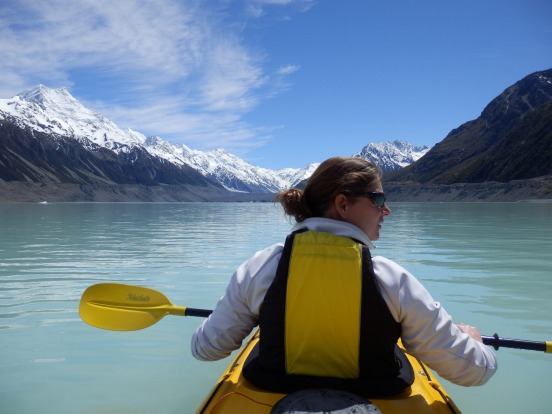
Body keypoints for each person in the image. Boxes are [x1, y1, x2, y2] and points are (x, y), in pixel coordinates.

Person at [191, 156, 497, 395]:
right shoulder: (392, 280)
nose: (386, 210)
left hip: (275, 392)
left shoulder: (260, 267)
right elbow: (476, 372)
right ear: (342, 204)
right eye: (378, 199)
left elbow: (205, 349)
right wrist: (475, 343)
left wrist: (242, 312)